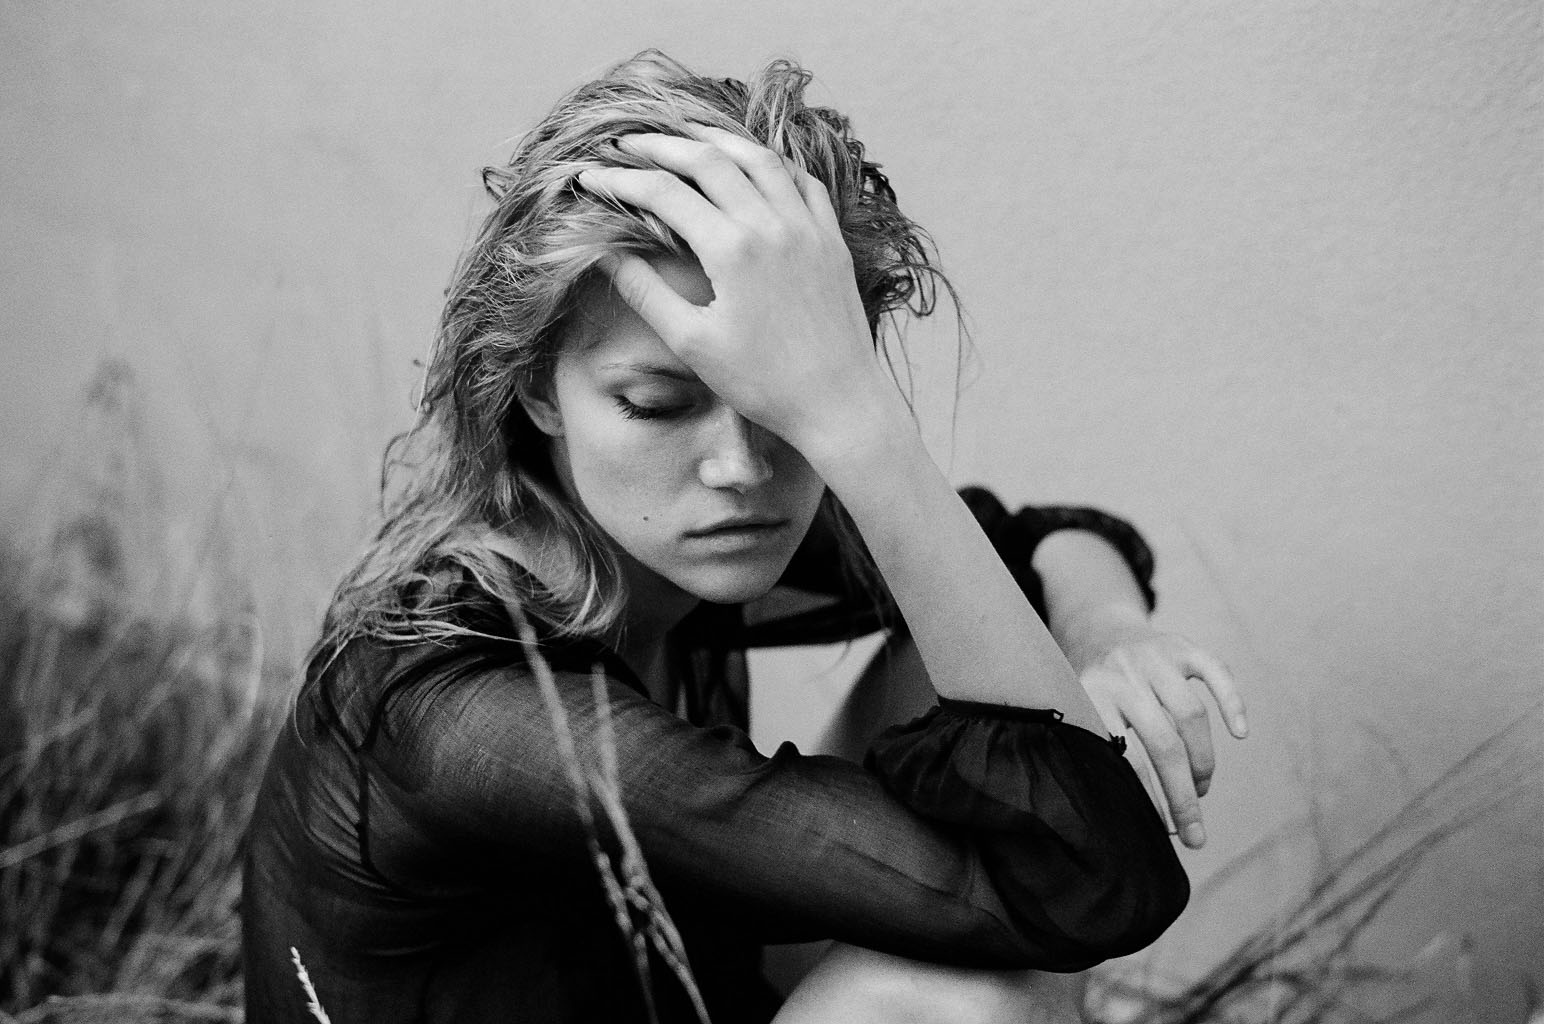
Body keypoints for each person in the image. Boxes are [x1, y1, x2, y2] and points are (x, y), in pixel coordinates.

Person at [241, 51, 1247, 1024]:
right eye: (656, 403)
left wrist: (1109, 633)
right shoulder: (479, 716)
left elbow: (1026, 548)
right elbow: (1083, 883)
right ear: (538, 390)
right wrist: (855, 423)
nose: (740, 465)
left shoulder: (663, 530)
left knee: (963, 617)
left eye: (778, 402)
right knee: (977, 999)